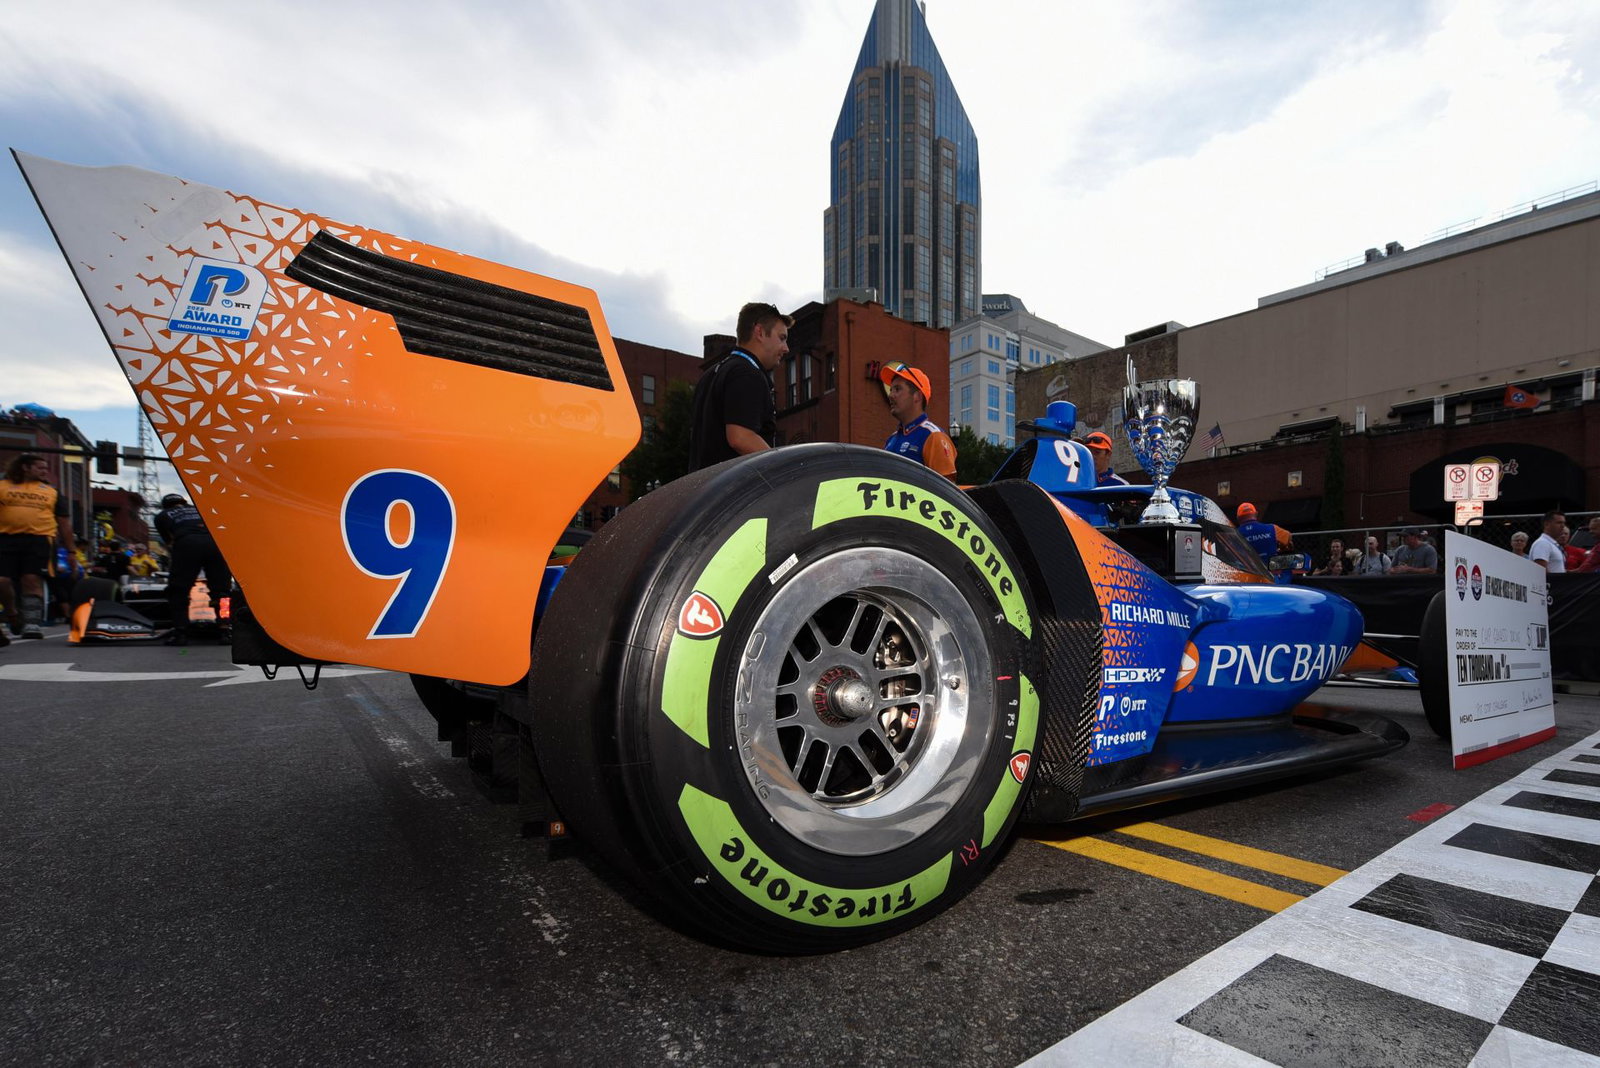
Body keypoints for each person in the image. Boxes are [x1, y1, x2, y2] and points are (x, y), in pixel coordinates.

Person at [688, 302, 791, 472]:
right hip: (734, 486)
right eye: (781, 338)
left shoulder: (711, 374)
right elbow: (741, 438)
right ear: (759, 332)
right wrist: (783, 470)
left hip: (703, 483)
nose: (786, 348)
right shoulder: (746, 373)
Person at [0, 453, 74, 639]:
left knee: (31, 580)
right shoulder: (3, 486)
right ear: (25, 468)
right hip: (6, 539)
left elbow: (64, 523)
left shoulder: (52, 492)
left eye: (46, 468)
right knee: (2, 581)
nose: (44, 471)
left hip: (40, 540)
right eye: (40, 468)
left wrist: (71, 551)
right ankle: (12, 614)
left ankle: (32, 623)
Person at [154, 493, 232, 644]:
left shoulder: (162, 515)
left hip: (187, 543)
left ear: (165, 506)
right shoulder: (200, 509)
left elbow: (169, 542)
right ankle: (225, 629)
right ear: (184, 502)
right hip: (216, 543)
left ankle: (180, 632)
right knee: (222, 592)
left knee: (178, 590)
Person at [879, 363, 957, 478]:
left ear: (917, 396)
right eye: (891, 390)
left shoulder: (934, 436)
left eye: (897, 389)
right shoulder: (891, 439)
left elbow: (947, 486)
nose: (890, 395)